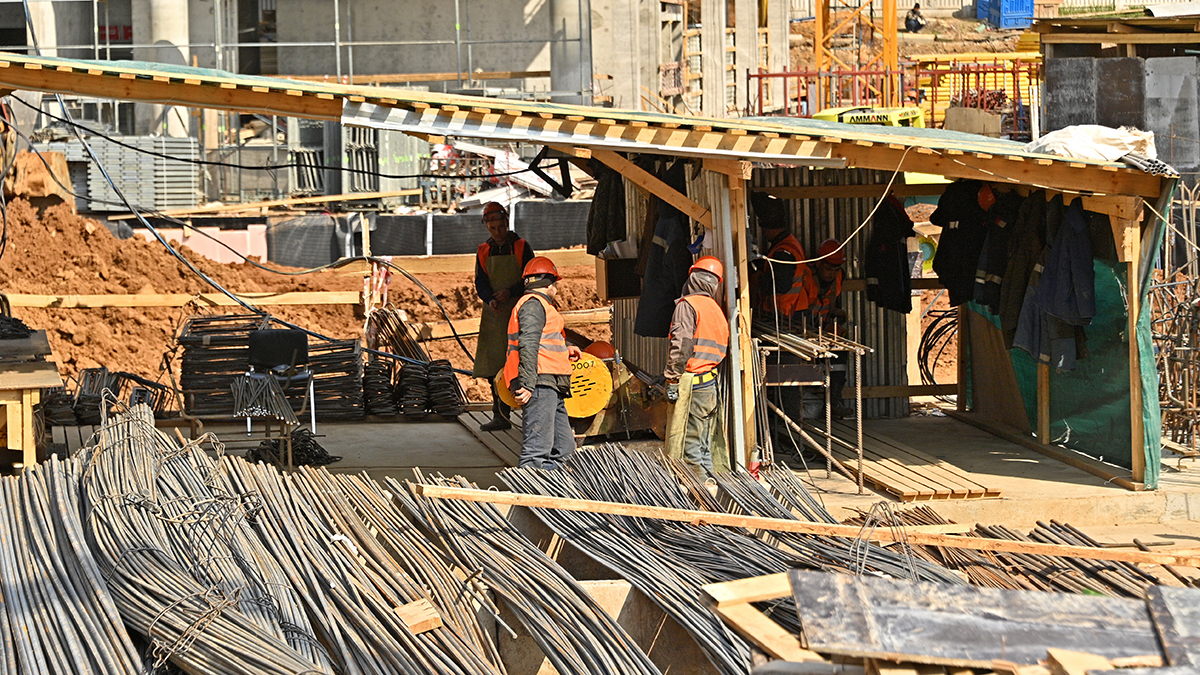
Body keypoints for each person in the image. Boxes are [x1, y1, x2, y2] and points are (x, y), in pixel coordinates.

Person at [504, 256, 582, 469]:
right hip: (539, 384)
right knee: (536, 452)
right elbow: (528, 344)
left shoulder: (540, 306)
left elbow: (543, 343)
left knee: (564, 449)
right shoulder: (533, 305)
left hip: (550, 384)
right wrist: (527, 384)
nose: (557, 288)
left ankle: (553, 498)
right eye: (555, 283)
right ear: (547, 283)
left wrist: (565, 351)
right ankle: (527, 500)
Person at [662, 256, 729, 479]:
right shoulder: (715, 309)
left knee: (689, 443)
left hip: (693, 385)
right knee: (704, 444)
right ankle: (713, 484)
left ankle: (698, 494)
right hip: (710, 384)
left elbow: (681, 345)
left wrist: (672, 379)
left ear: (692, 278)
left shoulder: (687, 306)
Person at [473, 201, 535, 431]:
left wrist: (511, 292)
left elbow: (531, 278)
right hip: (495, 317)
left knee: (525, 363)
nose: (498, 232)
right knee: (495, 367)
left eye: (501, 226)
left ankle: (532, 415)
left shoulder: (521, 247)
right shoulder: (483, 251)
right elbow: (480, 281)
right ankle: (501, 416)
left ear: (507, 223)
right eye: (493, 228)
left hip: (520, 312)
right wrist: (490, 298)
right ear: (487, 228)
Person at [750, 192, 816, 327]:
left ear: (770, 228)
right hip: (792, 309)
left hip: (785, 314)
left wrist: (757, 278)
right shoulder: (788, 243)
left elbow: (781, 285)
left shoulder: (783, 252)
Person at [806, 238, 852, 418]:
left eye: (835, 269)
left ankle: (834, 402)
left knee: (840, 353)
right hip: (804, 330)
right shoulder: (807, 277)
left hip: (825, 331)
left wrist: (836, 322)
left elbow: (835, 306)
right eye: (827, 269)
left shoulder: (839, 277)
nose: (831, 274)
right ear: (819, 264)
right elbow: (798, 310)